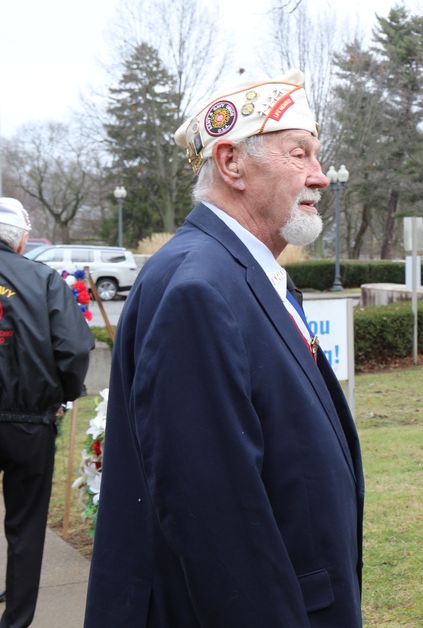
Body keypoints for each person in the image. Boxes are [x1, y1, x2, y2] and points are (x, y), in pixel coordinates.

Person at [84, 70, 364, 627]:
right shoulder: (199, 289)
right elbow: (215, 522)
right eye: (300, 154)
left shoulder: (236, 273)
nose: (322, 177)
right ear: (232, 163)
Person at [0, 196, 94, 628]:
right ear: (21, 240)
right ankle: (16, 619)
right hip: (29, 422)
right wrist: (66, 394)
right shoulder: (42, 279)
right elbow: (73, 347)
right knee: (25, 525)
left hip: (27, 415)